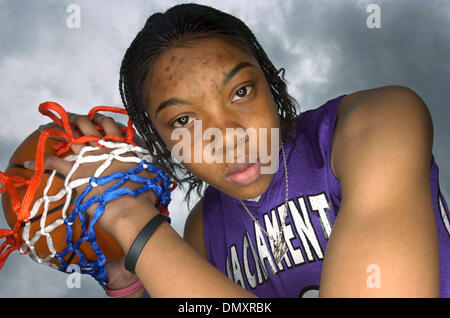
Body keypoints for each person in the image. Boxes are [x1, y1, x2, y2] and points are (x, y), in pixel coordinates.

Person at [25, 3, 450, 297]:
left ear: (272, 83)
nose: (226, 135)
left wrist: (130, 220)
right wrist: (122, 268)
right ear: (161, 142)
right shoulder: (201, 234)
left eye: (241, 91)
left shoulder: (377, 123)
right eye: (183, 121)